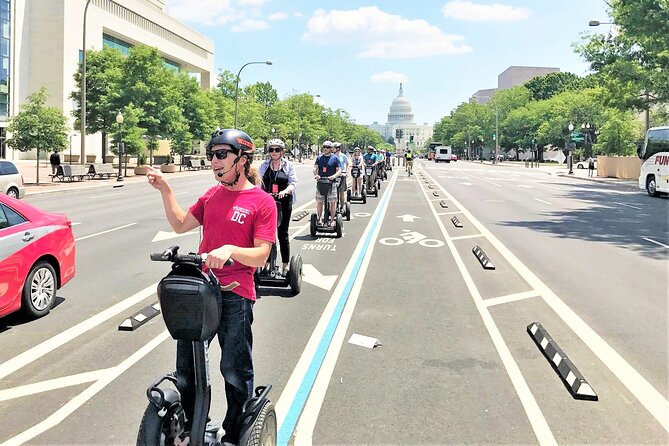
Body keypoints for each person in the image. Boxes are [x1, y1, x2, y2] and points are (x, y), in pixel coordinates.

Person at [147, 128, 277, 446]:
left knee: (234, 369)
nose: (214, 162)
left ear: (242, 160)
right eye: (211, 155)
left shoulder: (261, 202)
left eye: (221, 155)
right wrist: (165, 189)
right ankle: (192, 429)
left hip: (236, 294)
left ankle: (235, 431)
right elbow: (179, 224)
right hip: (202, 294)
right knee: (188, 368)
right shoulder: (212, 196)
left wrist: (231, 250)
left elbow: (261, 254)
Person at [258, 138, 297, 275]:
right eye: (271, 149)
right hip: (267, 203)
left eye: (277, 150)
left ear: (282, 151)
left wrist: (285, 191)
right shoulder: (264, 165)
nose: (274, 152)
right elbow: (258, 181)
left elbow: (293, 183)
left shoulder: (288, 165)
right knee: (267, 234)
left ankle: (286, 265)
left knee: (282, 233)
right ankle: (267, 264)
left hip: (284, 202)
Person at [313, 140, 341, 226]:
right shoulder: (319, 157)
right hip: (321, 182)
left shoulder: (335, 158)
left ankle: (332, 220)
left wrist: (334, 176)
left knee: (332, 201)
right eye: (324, 147)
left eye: (328, 147)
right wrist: (316, 175)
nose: (325, 149)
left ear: (331, 148)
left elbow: (339, 170)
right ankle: (319, 219)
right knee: (319, 201)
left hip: (331, 182)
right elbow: (315, 168)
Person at [333, 142, 350, 209]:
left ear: (338, 148)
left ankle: (342, 207)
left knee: (341, 192)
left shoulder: (343, 156)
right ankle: (333, 208)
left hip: (342, 175)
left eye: (334, 148)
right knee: (332, 193)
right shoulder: (332, 156)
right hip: (334, 176)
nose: (332, 149)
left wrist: (347, 172)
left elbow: (348, 164)